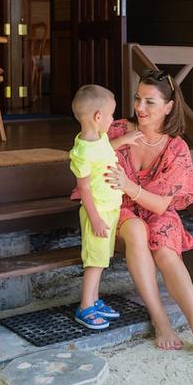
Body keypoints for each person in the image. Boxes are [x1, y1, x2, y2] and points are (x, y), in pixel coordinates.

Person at [103, 69, 193, 365]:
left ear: (169, 107)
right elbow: (84, 153)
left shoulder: (176, 148)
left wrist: (130, 185)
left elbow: (161, 205)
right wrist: (116, 145)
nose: (140, 108)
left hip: (156, 207)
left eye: (150, 102)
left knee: (166, 250)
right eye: (137, 99)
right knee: (135, 229)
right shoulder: (118, 129)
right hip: (118, 206)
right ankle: (160, 319)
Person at [68, 84, 129, 330]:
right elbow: (83, 189)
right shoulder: (81, 151)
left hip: (110, 208)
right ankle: (85, 307)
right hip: (99, 212)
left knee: (102, 259)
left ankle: (93, 300)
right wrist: (94, 218)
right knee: (94, 262)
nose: (113, 120)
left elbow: (105, 151)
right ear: (98, 117)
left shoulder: (99, 138)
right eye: (112, 115)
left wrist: (126, 139)